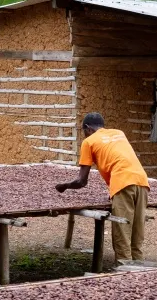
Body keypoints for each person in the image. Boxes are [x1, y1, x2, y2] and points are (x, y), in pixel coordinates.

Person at [56, 111, 150, 264]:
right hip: (142, 182)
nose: (84, 135)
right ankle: (139, 271)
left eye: (83, 132)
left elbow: (81, 181)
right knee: (136, 233)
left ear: (87, 128)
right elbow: (118, 158)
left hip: (123, 183)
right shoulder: (119, 133)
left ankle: (124, 271)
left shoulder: (89, 142)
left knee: (122, 232)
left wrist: (64, 186)